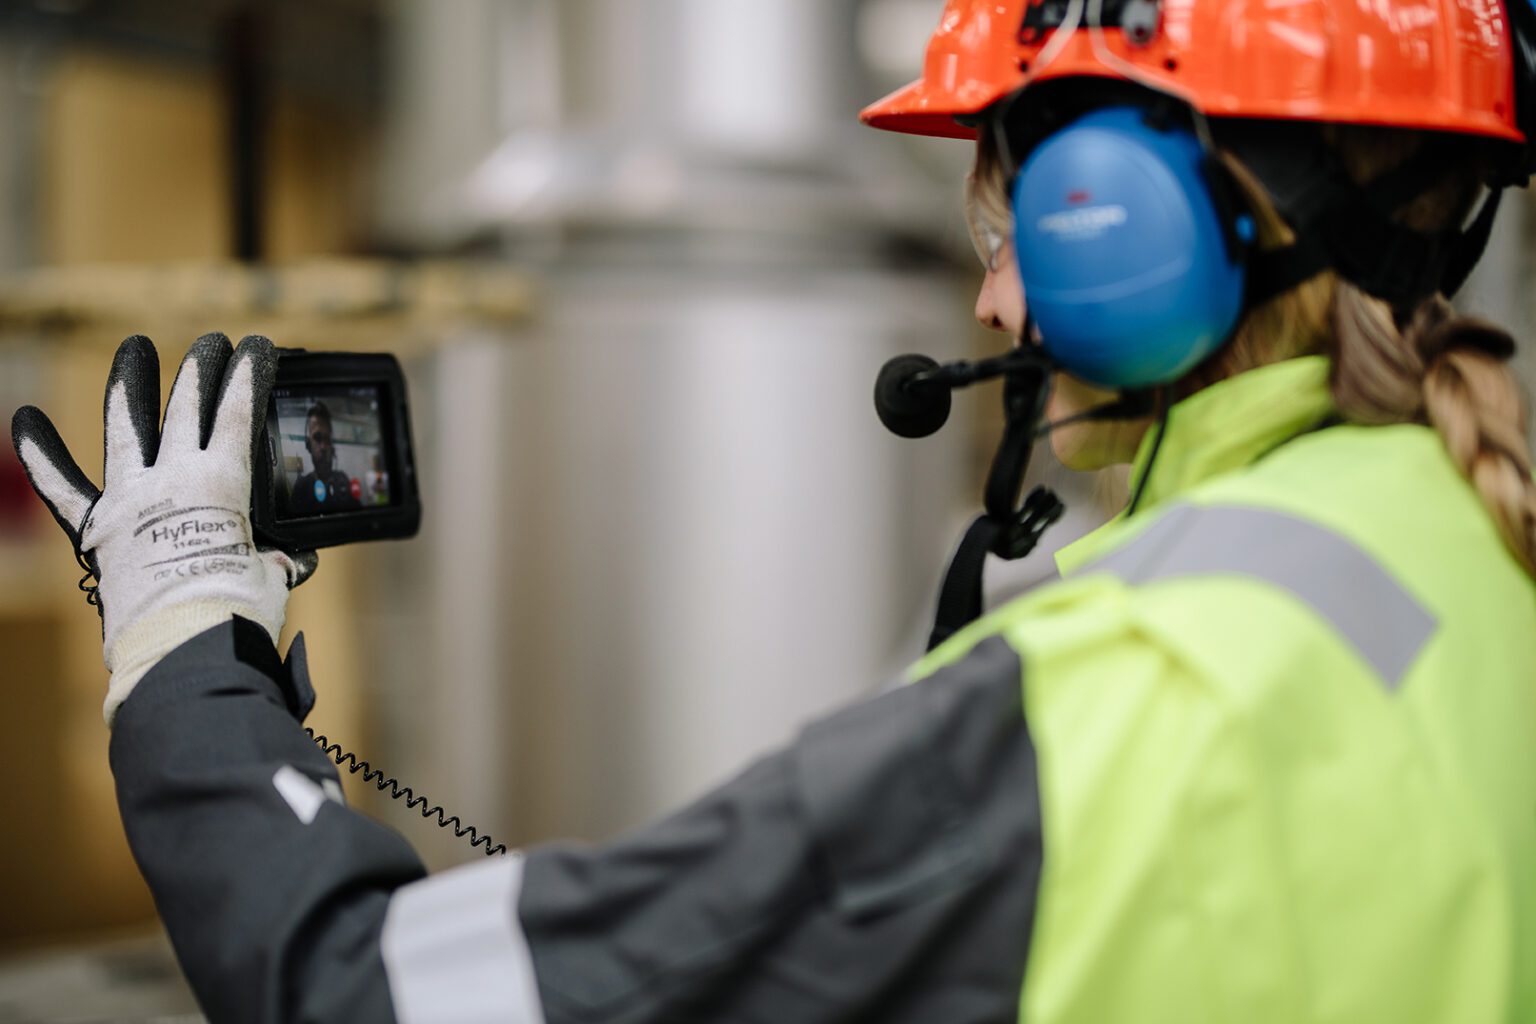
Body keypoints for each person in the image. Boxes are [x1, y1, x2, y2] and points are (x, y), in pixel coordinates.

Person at [9, 3, 1536, 1022]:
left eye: (1022, 223)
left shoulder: (1099, 705)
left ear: (1133, 221)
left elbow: (371, 997)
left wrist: (184, 653)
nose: (994, 295)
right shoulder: (1468, 546)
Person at [287, 400, 361, 515]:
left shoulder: (342, 480)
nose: (323, 447)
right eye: (317, 438)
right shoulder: (302, 487)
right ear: (308, 445)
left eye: (327, 439)